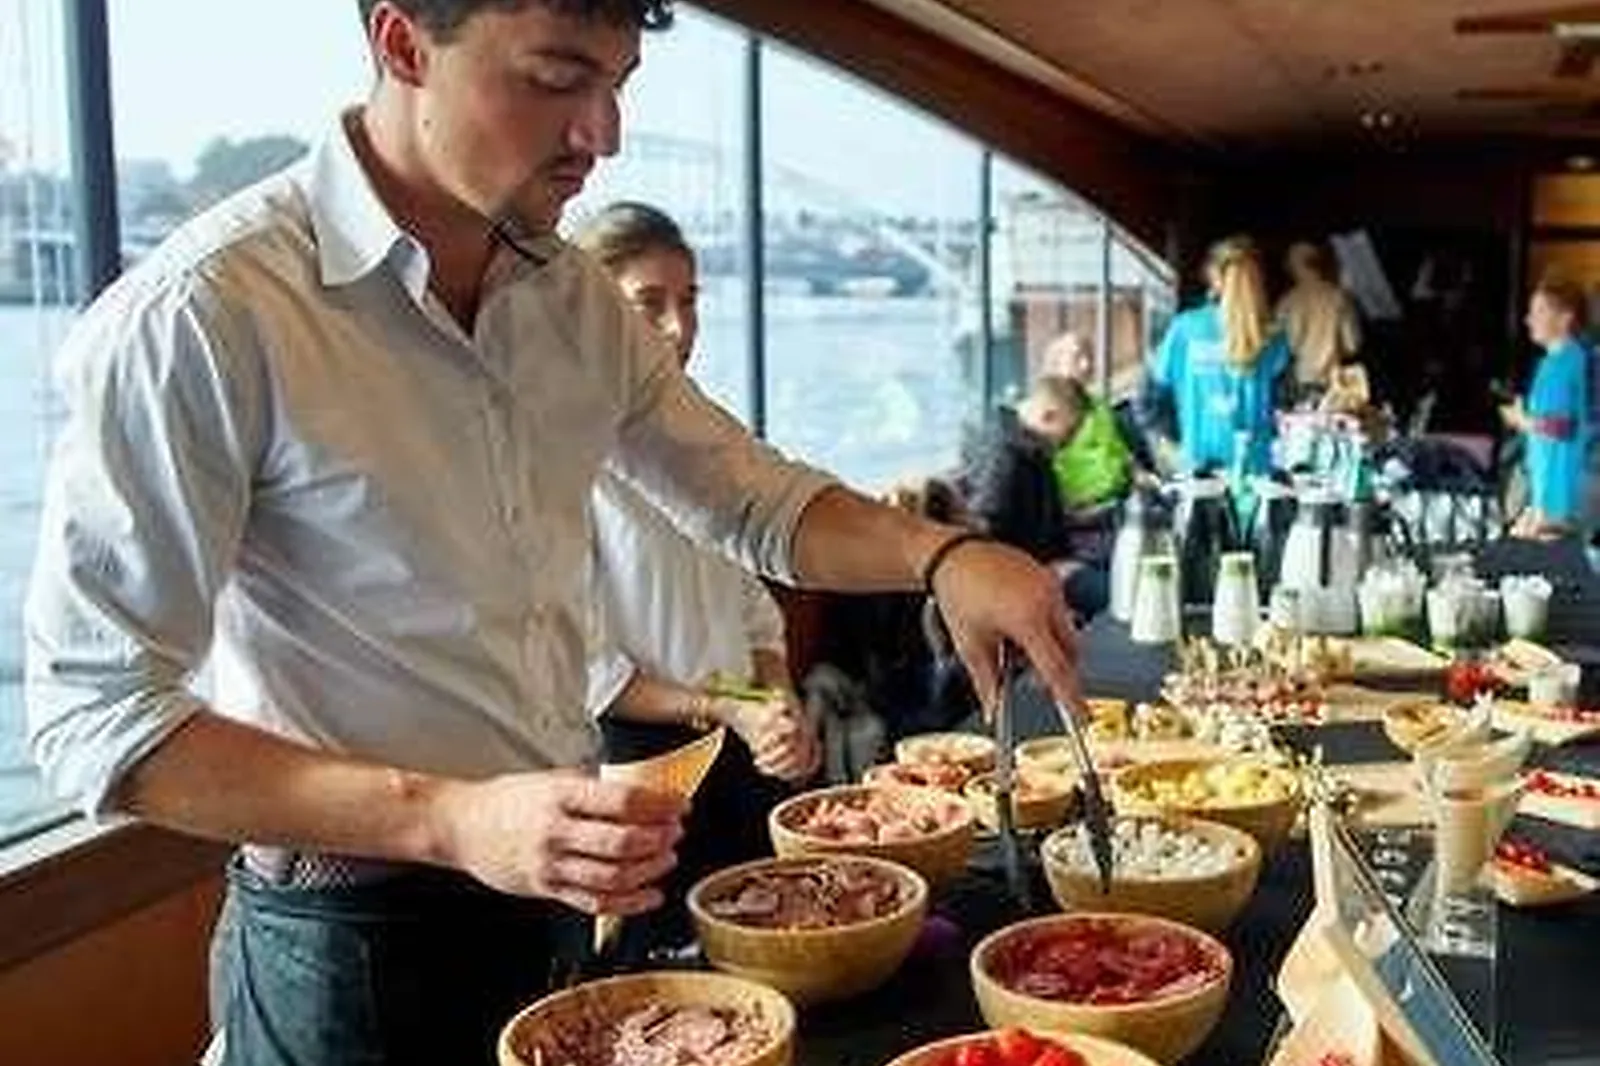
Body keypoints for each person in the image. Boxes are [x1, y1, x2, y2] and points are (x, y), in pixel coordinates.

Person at [22, 3, 1085, 1063]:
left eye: (618, 83)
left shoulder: (570, 295)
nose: (602, 134)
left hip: (556, 904)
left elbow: (748, 497)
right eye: (558, 77)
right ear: (401, 43)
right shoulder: (206, 311)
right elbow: (93, 717)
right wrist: (450, 819)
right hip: (348, 937)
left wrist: (944, 555)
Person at [572, 201, 818, 947]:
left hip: (737, 751)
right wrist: (736, 708)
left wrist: (776, 702)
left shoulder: (708, 442)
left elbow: (752, 609)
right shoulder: (561, 461)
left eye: (689, 300)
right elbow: (593, 673)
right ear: (591, 313)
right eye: (649, 303)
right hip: (640, 770)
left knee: (765, 955)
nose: (679, 327)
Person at [968, 375, 1114, 620]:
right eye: (1068, 433)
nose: (1066, 444)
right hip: (1030, 576)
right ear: (1049, 416)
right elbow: (986, 544)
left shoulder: (1031, 450)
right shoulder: (1005, 459)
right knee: (1121, 595)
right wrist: (1045, 571)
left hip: (1055, 561)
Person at [1144, 235, 1291, 476]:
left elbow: (1148, 400)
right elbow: (1286, 408)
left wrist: (1168, 445)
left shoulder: (1185, 329)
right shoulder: (1273, 337)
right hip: (1256, 473)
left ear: (1213, 276)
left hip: (1197, 470)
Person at [1502, 278, 1592, 539]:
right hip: (1544, 493)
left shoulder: (1571, 361)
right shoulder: (1547, 364)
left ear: (1565, 318)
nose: (1529, 320)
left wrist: (1524, 421)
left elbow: (1564, 427)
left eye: (1539, 311)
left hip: (1563, 496)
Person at [1275, 239, 1362, 400]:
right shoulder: (1340, 297)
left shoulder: (1288, 302)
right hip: (1334, 382)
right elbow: (1352, 345)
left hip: (1300, 380)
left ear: (1295, 265)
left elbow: (1283, 349)